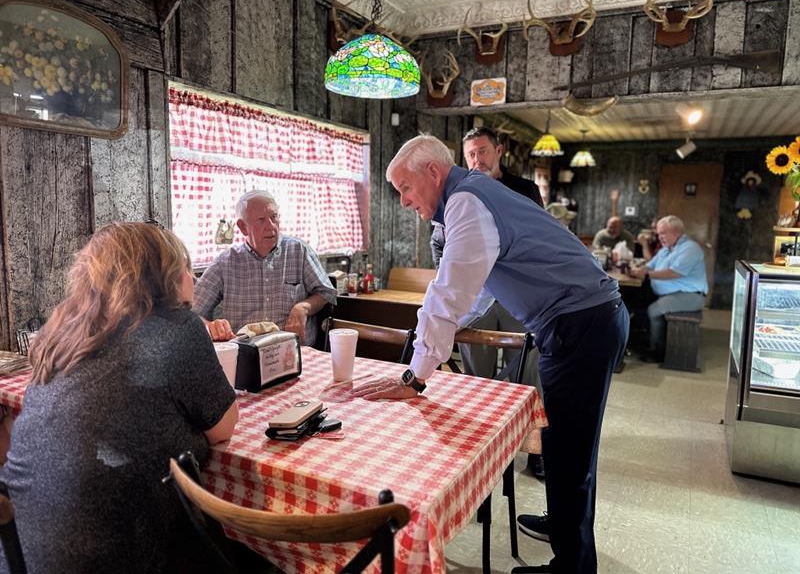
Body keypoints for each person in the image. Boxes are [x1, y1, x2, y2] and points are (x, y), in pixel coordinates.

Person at [354, 135, 629, 574]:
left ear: (433, 172)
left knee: (571, 450)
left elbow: (448, 292)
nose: (403, 201)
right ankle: (564, 527)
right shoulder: (473, 194)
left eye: (405, 187)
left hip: (580, 323)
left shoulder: (466, 202)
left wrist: (415, 376)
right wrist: (444, 334)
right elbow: (477, 289)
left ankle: (573, 566)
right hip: (586, 319)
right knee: (564, 443)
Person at [1, 222, 239, 573]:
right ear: (165, 275)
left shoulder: (62, 331)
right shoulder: (178, 327)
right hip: (118, 558)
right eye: (186, 267)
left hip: (22, 555)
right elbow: (223, 427)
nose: (192, 277)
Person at [434, 127, 545, 477]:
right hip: (474, 301)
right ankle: (479, 447)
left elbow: (537, 238)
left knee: (526, 376)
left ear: (499, 151)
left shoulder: (525, 190)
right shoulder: (457, 192)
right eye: (470, 154)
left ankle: (535, 447)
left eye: (482, 151)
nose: (477, 159)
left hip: (517, 298)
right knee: (475, 379)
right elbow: (438, 242)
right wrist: (451, 274)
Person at [193, 189, 337, 346]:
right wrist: (212, 327)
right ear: (243, 227)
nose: (271, 226)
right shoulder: (225, 263)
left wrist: (303, 307)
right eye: (261, 220)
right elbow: (192, 314)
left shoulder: (298, 251)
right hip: (245, 353)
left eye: (274, 217)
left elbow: (327, 292)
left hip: (294, 351)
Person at [630, 215, 707, 362]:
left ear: (676, 232)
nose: (659, 237)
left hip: (690, 295)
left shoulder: (690, 248)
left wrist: (646, 274)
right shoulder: (666, 249)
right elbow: (650, 265)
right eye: (659, 234)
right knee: (639, 304)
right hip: (670, 294)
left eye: (663, 233)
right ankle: (643, 341)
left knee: (653, 310)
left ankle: (657, 351)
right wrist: (638, 270)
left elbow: (674, 273)